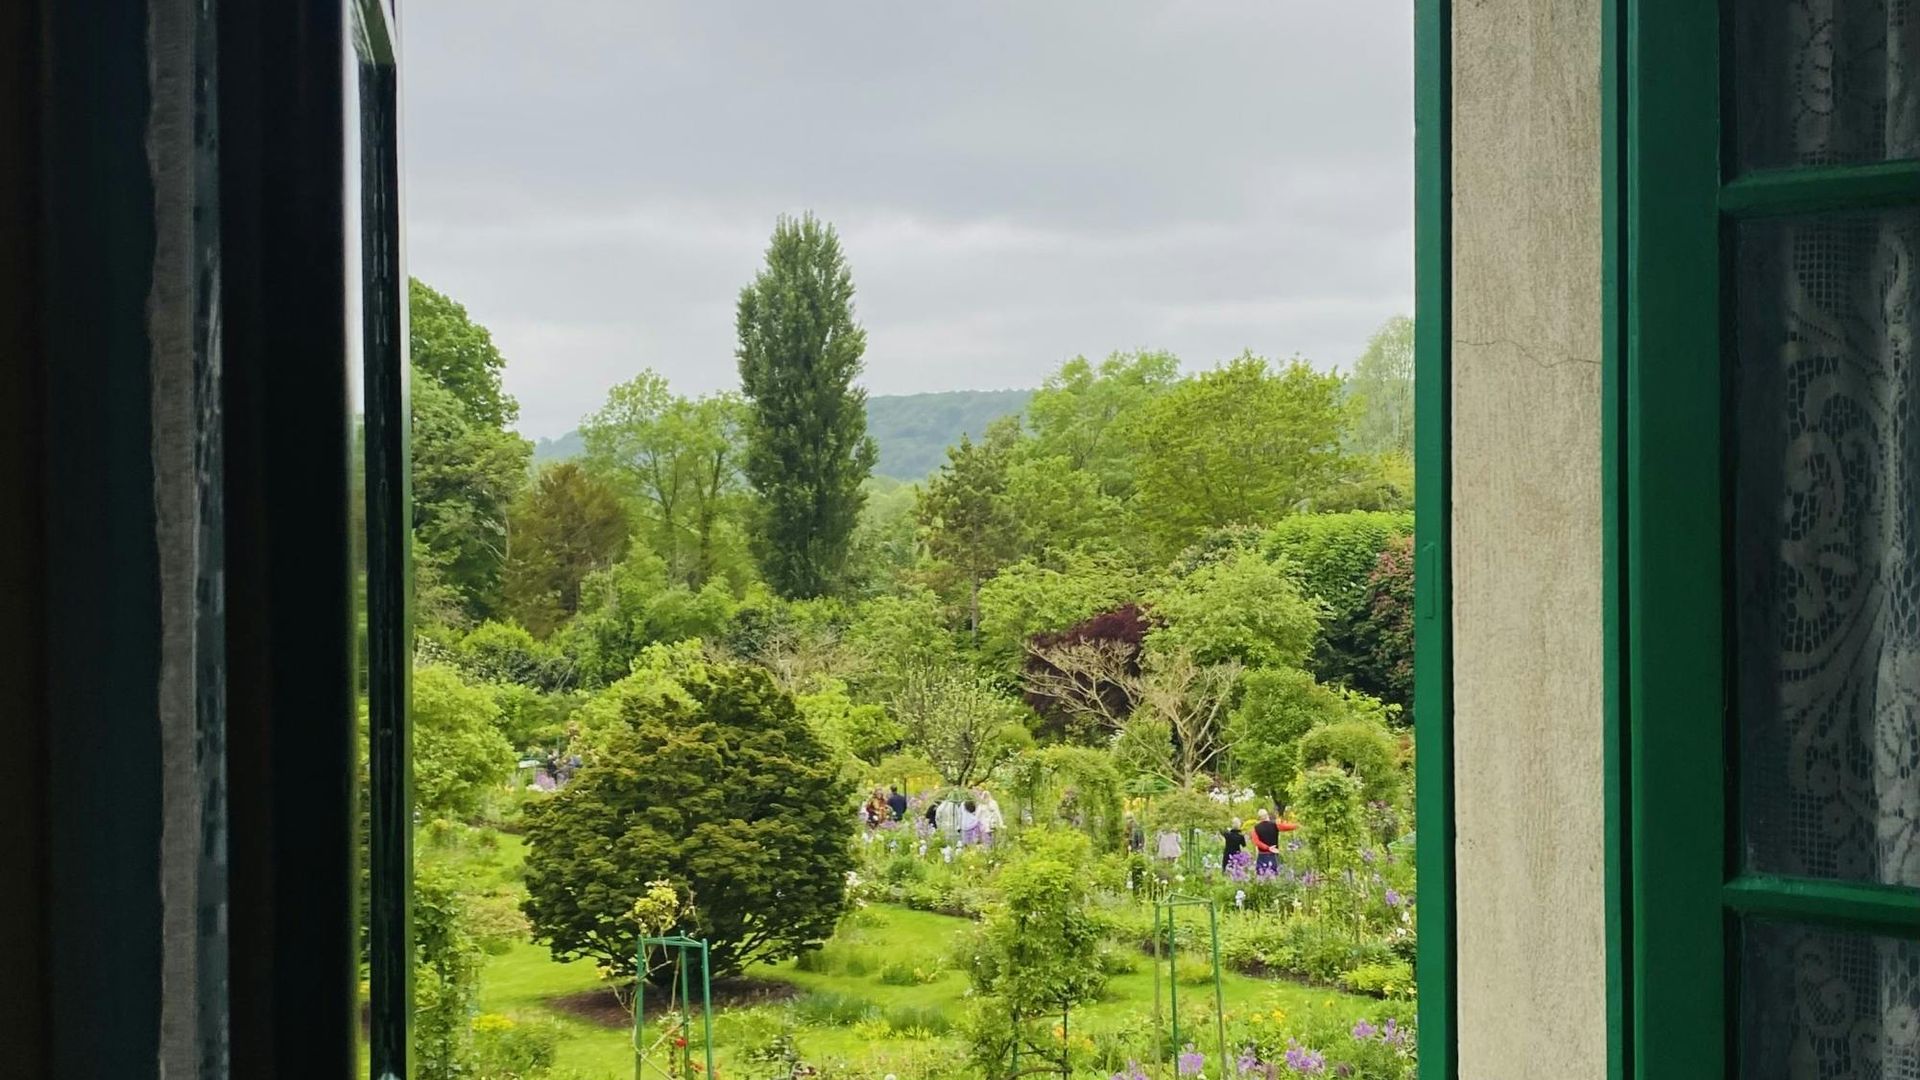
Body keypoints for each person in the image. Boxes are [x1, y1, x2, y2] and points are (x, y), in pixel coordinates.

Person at [1252, 808, 1281, 873]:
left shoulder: (1256, 828)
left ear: (1259, 817)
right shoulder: (1275, 825)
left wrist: (1267, 848)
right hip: (1273, 854)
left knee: (1261, 875)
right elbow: (1286, 827)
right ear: (1267, 815)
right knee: (1274, 874)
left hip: (1262, 855)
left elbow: (1256, 842)